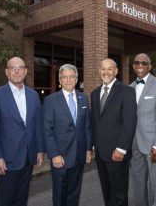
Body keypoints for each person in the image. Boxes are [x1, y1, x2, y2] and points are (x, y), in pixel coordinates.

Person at [0, 57, 44, 206]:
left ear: (25, 72)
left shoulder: (33, 95)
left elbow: (37, 125)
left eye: (20, 68)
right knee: (6, 199)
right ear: (7, 72)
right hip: (6, 160)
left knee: (21, 199)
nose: (16, 71)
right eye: (13, 68)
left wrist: (39, 150)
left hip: (28, 159)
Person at [43, 64, 92, 206]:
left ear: (76, 79)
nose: (68, 80)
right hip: (61, 156)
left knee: (74, 192)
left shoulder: (83, 98)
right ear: (60, 80)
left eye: (72, 77)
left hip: (79, 154)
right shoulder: (51, 100)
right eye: (65, 77)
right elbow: (47, 130)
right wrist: (54, 154)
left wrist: (88, 149)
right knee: (60, 194)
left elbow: (87, 127)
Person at [91, 58, 137, 206]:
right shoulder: (94, 93)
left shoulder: (127, 91)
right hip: (100, 153)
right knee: (107, 193)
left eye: (109, 69)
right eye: (103, 69)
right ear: (99, 71)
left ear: (116, 71)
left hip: (117, 152)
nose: (106, 72)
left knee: (119, 195)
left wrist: (121, 149)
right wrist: (93, 146)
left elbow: (129, 123)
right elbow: (95, 122)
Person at [130, 53, 156, 206]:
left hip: (152, 145)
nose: (140, 66)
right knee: (138, 184)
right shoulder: (130, 88)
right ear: (133, 66)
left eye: (144, 63)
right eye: (137, 63)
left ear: (150, 66)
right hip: (134, 145)